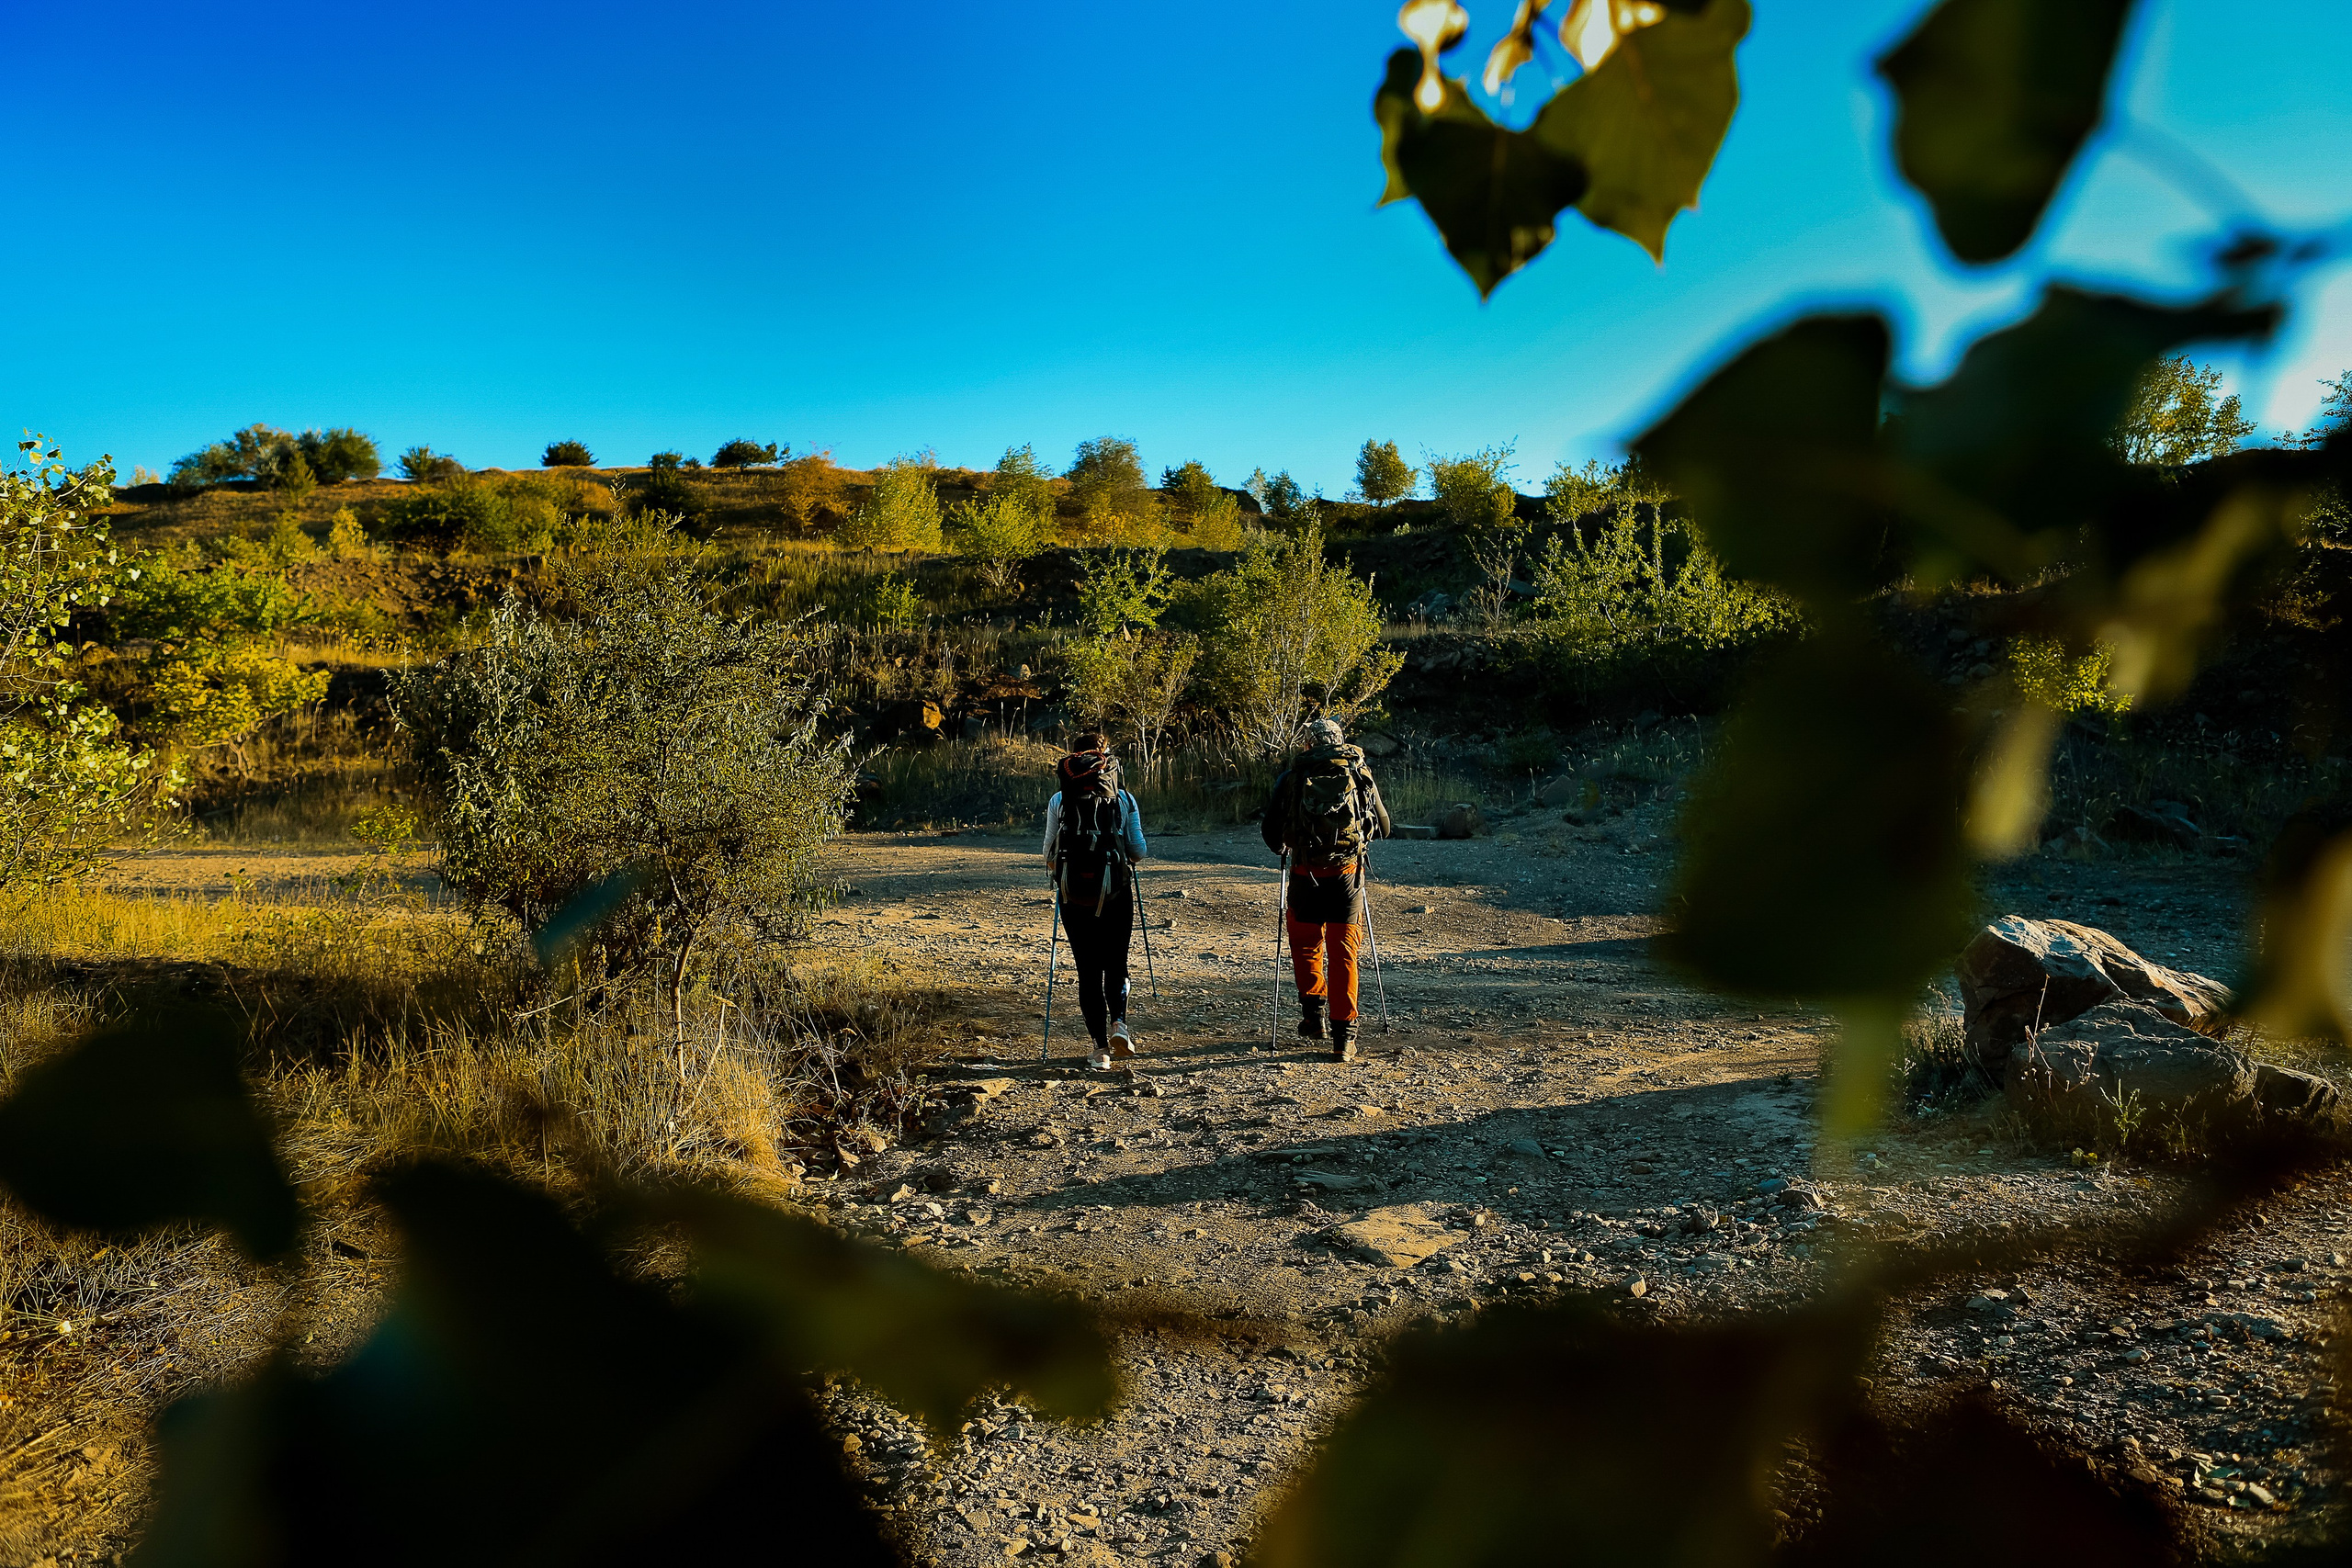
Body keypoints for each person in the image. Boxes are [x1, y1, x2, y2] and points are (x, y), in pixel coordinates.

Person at [1261, 716, 1390, 1062]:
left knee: (1306, 946)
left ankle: (1313, 1017)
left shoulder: (1291, 777)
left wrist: (1287, 844)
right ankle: (1344, 1039)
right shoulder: (1358, 772)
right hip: (1347, 877)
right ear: (1339, 740)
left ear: (1308, 744)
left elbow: (1270, 833)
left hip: (1305, 874)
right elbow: (1384, 827)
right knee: (1343, 954)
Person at [1043, 731, 1148, 1071]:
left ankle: (1100, 1049)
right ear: (1106, 758)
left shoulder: (1059, 800)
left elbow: (1048, 855)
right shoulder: (1124, 798)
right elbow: (1138, 851)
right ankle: (1120, 1024)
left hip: (1074, 896)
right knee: (1116, 962)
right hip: (1116, 893)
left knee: (1087, 970)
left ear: (1072, 760)